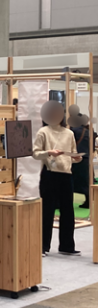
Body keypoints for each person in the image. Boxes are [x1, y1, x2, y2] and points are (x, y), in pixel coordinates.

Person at [34, 101, 82, 256]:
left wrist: (76, 158)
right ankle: (42, 246)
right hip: (49, 173)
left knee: (68, 211)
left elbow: (73, 153)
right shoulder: (43, 132)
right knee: (47, 211)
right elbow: (35, 153)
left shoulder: (69, 133)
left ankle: (67, 246)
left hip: (66, 174)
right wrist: (49, 152)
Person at [70, 113, 93, 209]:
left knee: (70, 182)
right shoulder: (88, 131)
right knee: (86, 182)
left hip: (76, 159)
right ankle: (88, 201)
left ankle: (64, 202)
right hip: (87, 159)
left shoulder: (73, 130)